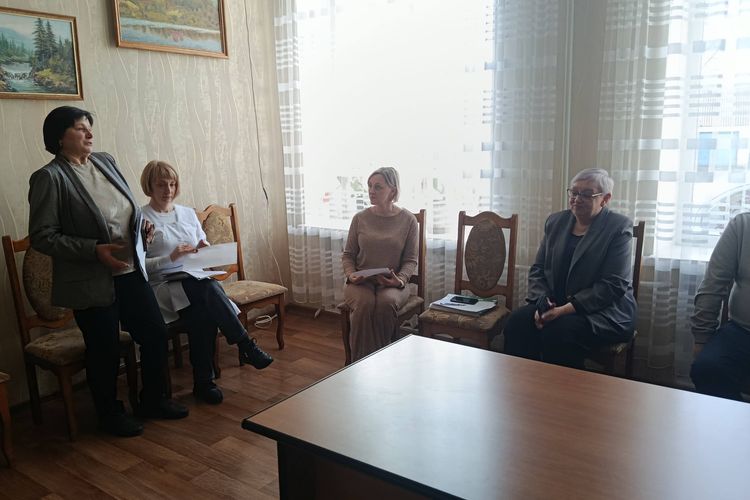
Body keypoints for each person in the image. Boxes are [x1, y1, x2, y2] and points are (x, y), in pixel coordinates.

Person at [28, 106, 188, 438]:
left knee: (154, 333)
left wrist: (141, 229)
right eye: (79, 128)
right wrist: (93, 250)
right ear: (59, 137)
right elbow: (43, 237)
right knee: (104, 350)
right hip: (91, 281)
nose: (89, 133)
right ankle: (109, 414)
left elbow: (125, 210)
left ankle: (153, 400)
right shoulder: (50, 178)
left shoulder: (105, 161)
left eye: (89, 127)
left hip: (130, 270)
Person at [139, 160, 273, 405]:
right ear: (149, 186)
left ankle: (205, 383)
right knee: (207, 290)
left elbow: (202, 242)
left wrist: (204, 248)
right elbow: (139, 266)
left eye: (172, 184)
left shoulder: (186, 213)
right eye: (161, 184)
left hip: (194, 278)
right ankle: (243, 346)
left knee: (203, 311)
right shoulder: (141, 218)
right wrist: (171, 257)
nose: (168, 190)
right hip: (163, 285)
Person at [503, 168, 636, 369]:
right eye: (574, 192)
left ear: (605, 199)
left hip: (603, 311)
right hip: (557, 303)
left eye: (586, 194)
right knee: (517, 322)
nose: (577, 199)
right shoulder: (556, 221)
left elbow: (613, 285)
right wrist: (543, 303)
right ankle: (524, 384)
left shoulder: (618, 227)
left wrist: (564, 311)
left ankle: (562, 389)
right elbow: (538, 269)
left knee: (559, 333)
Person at [341, 167, 418, 362]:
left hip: (393, 283)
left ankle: (380, 362)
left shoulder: (408, 220)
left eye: (378, 187)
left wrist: (400, 280)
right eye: (369, 186)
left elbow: (410, 260)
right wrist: (351, 274)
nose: (371, 191)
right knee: (364, 304)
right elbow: (348, 255)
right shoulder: (360, 218)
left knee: (385, 303)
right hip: (361, 282)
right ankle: (362, 364)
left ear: (393, 191)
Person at [689, 212, 750, 400]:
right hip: (742, 332)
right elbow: (713, 283)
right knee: (706, 368)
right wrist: (701, 337)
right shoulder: (742, 225)